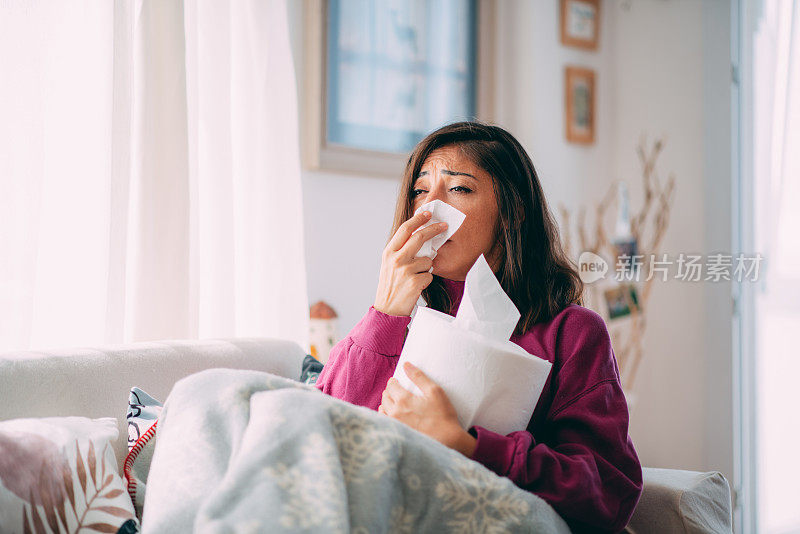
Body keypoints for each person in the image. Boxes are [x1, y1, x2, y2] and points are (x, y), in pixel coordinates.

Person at [315, 121, 643, 533]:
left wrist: (467, 444)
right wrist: (386, 313)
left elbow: (609, 492)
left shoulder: (572, 333)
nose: (429, 209)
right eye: (420, 190)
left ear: (513, 210)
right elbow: (327, 439)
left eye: (458, 189)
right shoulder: (396, 322)